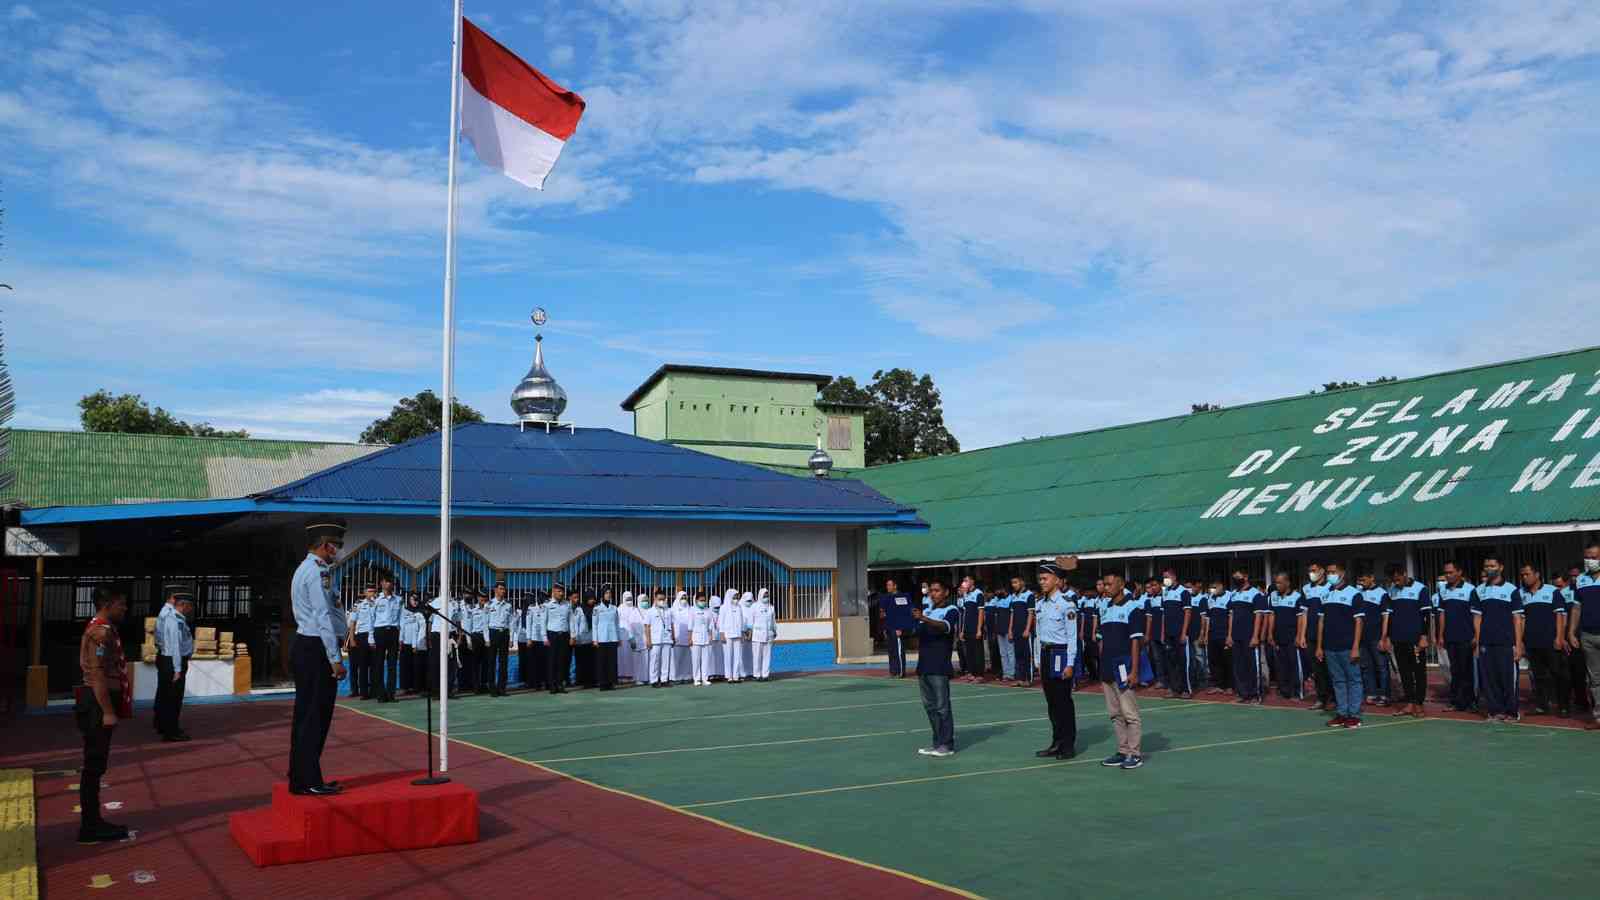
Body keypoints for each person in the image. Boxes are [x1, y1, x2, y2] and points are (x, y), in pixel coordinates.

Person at [290, 519, 348, 796]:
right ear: (325, 545)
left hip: (309, 646)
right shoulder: (317, 573)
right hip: (316, 649)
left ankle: (301, 775)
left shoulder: (309, 569)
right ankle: (309, 779)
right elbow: (322, 616)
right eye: (336, 545)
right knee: (315, 716)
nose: (338, 550)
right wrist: (335, 658)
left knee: (307, 716)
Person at [76, 585, 132, 843]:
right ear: (107, 604)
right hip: (97, 703)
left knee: (95, 765)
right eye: (121, 603)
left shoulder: (102, 628)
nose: (125, 608)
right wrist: (108, 711)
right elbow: (97, 674)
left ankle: (93, 821)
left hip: (97, 701)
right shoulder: (101, 632)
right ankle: (90, 827)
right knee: (94, 765)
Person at [1031, 561, 1079, 759]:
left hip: (1060, 654)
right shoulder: (1040, 604)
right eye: (1040, 579)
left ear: (1058, 581)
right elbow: (1038, 634)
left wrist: (1070, 663)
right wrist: (1037, 659)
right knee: (1051, 703)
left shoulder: (1067, 604)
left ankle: (1068, 745)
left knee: (1063, 702)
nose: (1041, 582)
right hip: (1045, 654)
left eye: (1045, 578)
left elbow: (1072, 637)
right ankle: (1056, 742)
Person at [1096, 572, 1144, 769]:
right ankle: (1122, 750)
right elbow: (1101, 639)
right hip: (1107, 667)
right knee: (1115, 713)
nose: (1105, 587)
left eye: (1109, 584)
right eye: (1104, 584)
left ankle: (1135, 753)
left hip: (1124, 668)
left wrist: (1134, 670)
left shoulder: (1133, 607)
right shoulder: (1105, 607)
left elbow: (1135, 641)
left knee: (1130, 713)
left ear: (1121, 584)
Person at [911, 579, 959, 757]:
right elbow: (918, 635)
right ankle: (937, 742)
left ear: (946, 592)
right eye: (931, 590)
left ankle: (947, 745)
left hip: (939, 666)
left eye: (937, 590)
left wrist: (923, 618)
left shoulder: (951, 610)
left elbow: (945, 627)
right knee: (930, 707)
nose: (933, 593)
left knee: (942, 707)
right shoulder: (929, 610)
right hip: (923, 665)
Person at [1473, 557, 1523, 722]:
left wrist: (1518, 643)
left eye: (1492, 565)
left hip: (1507, 643)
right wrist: (1478, 642)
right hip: (1486, 643)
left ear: (1501, 567)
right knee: (1490, 679)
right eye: (1486, 565)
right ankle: (1495, 711)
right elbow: (1477, 619)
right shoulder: (1478, 590)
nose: (1489, 568)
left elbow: (1517, 619)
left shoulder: (1512, 590)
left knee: (1508, 679)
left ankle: (1511, 712)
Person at [1512, 564, 1565, 717]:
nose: (1524, 577)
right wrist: (1520, 641)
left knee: (1557, 674)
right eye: (1522, 575)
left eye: (1527, 574)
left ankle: (1563, 706)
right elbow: (1520, 619)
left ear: (1537, 574)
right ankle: (1542, 706)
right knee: (1538, 676)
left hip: (1550, 641)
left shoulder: (1552, 591)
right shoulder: (1520, 593)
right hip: (1532, 642)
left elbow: (1560, 616)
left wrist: (1559, 637)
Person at [1316, 562, 1364, 728]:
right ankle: (1342, 713)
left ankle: (1354, 715)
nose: (1330, 575)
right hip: (1330, 647)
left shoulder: (1354, 594)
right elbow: (1321, 621)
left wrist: (1356, 647)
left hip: (1348, 647)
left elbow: (1359, 622)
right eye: (1328, 572)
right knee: (1338, 681)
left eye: (1333, 572)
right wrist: (1319, 646)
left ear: (1342, 573)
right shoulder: (1325, 594)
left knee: (1354, 680)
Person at [1380, 566, 1431, 718]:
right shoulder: (1391, 591)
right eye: (1393, 580)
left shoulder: (1420, 589)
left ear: (1405, 574)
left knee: (1419, 672)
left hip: (1415, 639)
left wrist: (1423, 636)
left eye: (1398, 579)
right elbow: (1388, 616)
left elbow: (1426, 614)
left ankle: (1419, 704)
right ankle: (1409, 703)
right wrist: (1387, 637)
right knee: (1404, 672)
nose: (1396, 582)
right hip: (1398, 639)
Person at [153, 584, 195, 742]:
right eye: (190, 606)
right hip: (173, 660)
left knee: (164, 694)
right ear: (183, 604)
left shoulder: (166, 613)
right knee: (174, 698)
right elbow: (175, 646)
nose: (190, 610)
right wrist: (177, 669)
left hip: (165, 659)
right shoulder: (175, 620)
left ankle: (162, 724)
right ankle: (172, 731)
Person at [1436, 561, 1478, 712]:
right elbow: (1442, 614)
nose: (1448, 575)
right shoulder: (1443, 590)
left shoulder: (1471, 590)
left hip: (1466, 637)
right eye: (1446, 572)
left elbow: (1476, 615)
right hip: (1450, 637)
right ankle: (1455, 701)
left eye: (1451, 572)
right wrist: (1440, 635)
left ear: (1459, 572)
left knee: (1467, 671)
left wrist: (1476, 636)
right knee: (1454, 670)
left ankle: (1470, 702)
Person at [1567, 545, 1600, 730]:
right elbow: (1576, 607)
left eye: (1594, 556)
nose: (1590, 560)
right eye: (1587, 556)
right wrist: (1571, 632)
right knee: (1595, 680)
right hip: (1587, 635)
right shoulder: (1580, 580)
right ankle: (1599, 717)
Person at [1226, 569, 1266, 703]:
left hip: (1249, 636)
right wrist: (1230, 635)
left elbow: (1259, 616)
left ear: (1246, 576)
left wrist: (1256, 636)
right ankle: (1243, 693)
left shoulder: (1256, 594)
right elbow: (1231, 615)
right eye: (1234, 577)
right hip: (1236, 637)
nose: (1236, 579)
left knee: (1252, 666)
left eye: (1238, 576)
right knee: (1239, 666)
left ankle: (1255, 695)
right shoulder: (1233, 594)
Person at [1356, 573, 1391, 707]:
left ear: (1372, 578)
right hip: (1363, 638)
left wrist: (1384, 637)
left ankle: (1384, 695)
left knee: (1381, 666)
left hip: (1376, 637)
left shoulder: (1382, 593)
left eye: (1363, 579)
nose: (1361, 582)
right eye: (1360, 580)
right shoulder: (1358, 593)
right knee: (1366, 667)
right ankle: (1370, 693)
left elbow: (1386, 617)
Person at [1266, 572, 1303, 700]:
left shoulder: (1297, 597)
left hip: (1292, 637)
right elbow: (1272, 615)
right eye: (1276, 582)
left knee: (1294, 664)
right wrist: (1270, 633)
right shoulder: (1273, 596)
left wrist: (1299, 636)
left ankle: (1297, 692)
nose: (1277, 585)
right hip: (1278, 637)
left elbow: (1301, 618)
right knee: (1281, 666)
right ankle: (1284, 691)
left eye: (1280, 582)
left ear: (1287, 583)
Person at [1300, 565, 1331, 711]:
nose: (1311, 573)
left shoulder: (1330, 588)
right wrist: (1302, 635)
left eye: (1314, 570)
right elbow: (1304, 613)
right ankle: (1321, 698)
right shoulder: (1306, 589)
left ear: (1322, 571)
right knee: (1317, 669)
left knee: (1330, 668)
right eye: (1310, 570)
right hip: (1311, 634)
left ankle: (1334, 699)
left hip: (1327, 635)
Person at [1159, 569, 1193, 699]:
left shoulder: (1183, 592)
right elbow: (1163, 614)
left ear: (1174, 577)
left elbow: (1188, 613)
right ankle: (1174, 689)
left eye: (1166, 577)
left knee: (1183, 662)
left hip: (1180, 633)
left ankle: (1186, 689)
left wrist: (1184, 633)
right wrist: (1163, 633)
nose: (1165, 580)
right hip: (1168, 634)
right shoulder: (1165, 592)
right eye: (1163, 578)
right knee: (1170, 662)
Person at [372, 578, 403, 703]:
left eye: (391, 582)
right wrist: (370, 637)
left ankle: (391, 694)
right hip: (380, 631)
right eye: (386, 581)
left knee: (392, 664)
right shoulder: (376, 600)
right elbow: (371, 618)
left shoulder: (399, 599)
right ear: (382, 583)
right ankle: (380, 694)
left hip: (393, 632)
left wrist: (401, 637)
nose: (389, 584)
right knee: (379, 663)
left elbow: (402, 619)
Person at [484, 583, 514, 697]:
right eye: (501, 589)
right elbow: (485, 623)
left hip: (504, 633)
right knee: (491, 662)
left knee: (503, 662)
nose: (503, 591)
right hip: (493, 633)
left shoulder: (508, 605)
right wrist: (487, 639)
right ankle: (492, 688)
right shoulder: (488, 605)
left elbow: (512, 623)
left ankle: (502, 688)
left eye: (504, 589)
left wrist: (512, 638)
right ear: (495, 590)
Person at [880, 578, 912, 678]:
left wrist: (900, 628)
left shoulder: (901, 598)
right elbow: (882, 613)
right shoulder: (886, 597)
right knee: (891, 650)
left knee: (898, 650)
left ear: (895, 586)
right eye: (887, 585)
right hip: (889, 627)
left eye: (890, 585)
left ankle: (901, 672)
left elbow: (904, 614)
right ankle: (893, 671)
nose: (888, 587)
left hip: (897, 628)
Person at [349, 585, 376, 700]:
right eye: (369, 591)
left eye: (374, 591)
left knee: (375, 665)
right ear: (365, 593)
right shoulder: (358, 605)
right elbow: (353, 623)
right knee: (363, 665)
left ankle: (375, 690)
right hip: (362, 636)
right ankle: (364, 692)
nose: (372, 593)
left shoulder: (378, 604)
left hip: (375, 635)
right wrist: (351, 639)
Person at [544, 582, 572, 693]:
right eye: (559, 591)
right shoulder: (548, 605)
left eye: (562, 591)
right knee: (552, 661)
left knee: (562, 661)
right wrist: (544, 637)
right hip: (552, 635)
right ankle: (552, 685)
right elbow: (543, 622)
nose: (561, 593)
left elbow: (571, 621)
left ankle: (560, 684)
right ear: (554, 591)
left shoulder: (567, 605)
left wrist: (572, 635)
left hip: (564, 635)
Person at [1205, 580, 1231, 694]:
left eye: (1214, 587)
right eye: (1211, 587)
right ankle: (1218, 685)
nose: (1212, 590)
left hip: (1224, 635)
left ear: (1221, 586)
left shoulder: (1230, 596)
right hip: (1212, 635)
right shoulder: (1210, 598)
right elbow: (1208, 619)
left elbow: (1231, 617)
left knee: (1227, 661)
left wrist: (1229, 635)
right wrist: (1206, 635)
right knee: (1214, 661)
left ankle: (1229, 686)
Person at [593, 586, 621, 690]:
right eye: (606, 593)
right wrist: (595, 639)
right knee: (602, 662)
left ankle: (611, 682)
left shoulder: (614, 608)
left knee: (612, 662)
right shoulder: (597, 609)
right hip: (602, 638)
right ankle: (602, 683)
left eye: (609, 593)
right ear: (602, 595)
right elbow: (594, 624)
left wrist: (619, 638)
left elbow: (617, 624)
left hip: (613, 638)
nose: (608, 595)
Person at [957, 576, 984, 681]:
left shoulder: (979, 594)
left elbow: (981, 612)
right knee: (969, 652)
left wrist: (979, 629)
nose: (964, 583)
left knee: (978, 652)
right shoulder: (966, 595)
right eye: (963, 581)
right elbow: (964, 614)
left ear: (972, 581)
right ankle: (972, 672)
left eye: (966, 581)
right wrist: (962, 630)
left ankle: (979, 675)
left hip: (975, 628)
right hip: (967, 628)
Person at [1008, 577, 1035, 686]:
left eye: (1015, 582)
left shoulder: (1029, 595)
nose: (1014, 585)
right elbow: (1012, 614)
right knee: (1018, 655)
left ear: (1022, 582)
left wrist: (1027, 629)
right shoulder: (1013, 596)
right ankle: (1019, 678)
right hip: (1015, 630)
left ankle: (1028, 679)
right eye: (1012, 583)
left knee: (1027, 655)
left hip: (1025, 631)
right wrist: (1010, 630)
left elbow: (1031, 614)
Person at [644, 589, 673, 687]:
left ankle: (664, 680)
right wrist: (648, 640)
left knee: (666, 660)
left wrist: (673, 636)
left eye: (663, 599)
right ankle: (654, 680)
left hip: (667, 639)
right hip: (655, 639)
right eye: (660, 599)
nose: (662, 601)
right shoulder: (650, 611)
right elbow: (647, 626)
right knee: (655, 660)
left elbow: (671, 624)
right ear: (655, 598)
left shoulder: (668, 611)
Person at [718, 588, 746, 683]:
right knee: (728, 656)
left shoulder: (739, 607)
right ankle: (729, 676)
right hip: (727, 635)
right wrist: (721, 634)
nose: (736, 599)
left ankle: (736, 676)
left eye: (737, 597)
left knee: (737, 656)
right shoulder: (723, 608)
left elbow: (742, 621)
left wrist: (742, 632)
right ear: (729, 597)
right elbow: (720, 622)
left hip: (737, 634)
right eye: (734, 597)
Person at [749, 588, 778, 681]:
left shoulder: (771, 607)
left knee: (767, 656)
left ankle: (765, 675)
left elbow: (773, 621)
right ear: (760, 596)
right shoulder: (754, 606)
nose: (766, 597)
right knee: (757, 656)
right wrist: (750, 632)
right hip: (757, 635)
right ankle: (757, 675)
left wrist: (774, 631)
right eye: (764, 596)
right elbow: (750, 621)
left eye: (767, 595)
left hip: (768, 635)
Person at [522, 591, 548, 691]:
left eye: (545, 598)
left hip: (544, 639)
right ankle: (534, 683)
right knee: (533, 662)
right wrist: (528, 638)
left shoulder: (547, 607)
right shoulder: (531, 608)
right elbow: (528, 624)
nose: (543, 599)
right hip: (534, 639)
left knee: (544, 662)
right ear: (538, 598)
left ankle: (544, 682)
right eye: (542, 597)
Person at [617, 590, 644, 684]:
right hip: (622, 636)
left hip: (633, 637)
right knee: (622, 656)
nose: (629, 600)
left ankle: (631, 675)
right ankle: (621, 676)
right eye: (627, 599)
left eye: (631, 599)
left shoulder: (635, 609)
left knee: (631, 657)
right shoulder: (619, 609)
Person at [571, 588, 595, 688]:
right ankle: (581, 680)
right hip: (581, 640)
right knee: (581, 662)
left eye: (593, 598)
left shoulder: (595, 609)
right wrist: (575, 637)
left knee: (591, 662)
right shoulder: (579, 610)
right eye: (590, 598)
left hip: (591, 639)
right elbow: (575, 624)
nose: (592, 600)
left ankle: (591, 681)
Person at [690, 591, 715, 686]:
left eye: (704, 600)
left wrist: (711, 636)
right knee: (696, 660)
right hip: (695, 638)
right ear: (696, 601)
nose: (703, 602)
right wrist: (689, 638)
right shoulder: (692, 610)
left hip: (706, 638)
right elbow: (690, 625)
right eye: (701, 600)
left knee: (706, 660)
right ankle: (696, 679)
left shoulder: (708, 611)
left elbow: (711, 625)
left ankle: (705, 678)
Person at [670, 591, 693, 684]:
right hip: (677, 637)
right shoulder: (673, 610)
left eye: (685, 597)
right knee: (676, 659)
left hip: (688, 637)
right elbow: (671, 624)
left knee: (687, 658)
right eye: (682, 598)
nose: (684, 600)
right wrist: (673, 636)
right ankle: (675, 677)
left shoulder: (690, 609)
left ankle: (687, 676)